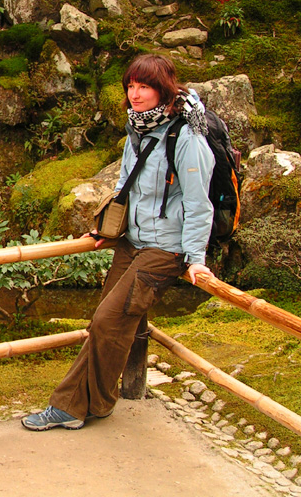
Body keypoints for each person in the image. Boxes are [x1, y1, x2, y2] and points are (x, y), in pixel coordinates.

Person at [22, 53, 215, 431]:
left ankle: (69, 407)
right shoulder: (138, 129)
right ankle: (100, 402)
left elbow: (198, 203)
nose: (135, 94)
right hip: (133, 241)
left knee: (108, 321)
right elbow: (125, 187)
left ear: (164, 90)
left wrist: (195, 258)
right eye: (131, 86)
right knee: (109, 324)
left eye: (144, 87)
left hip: (166, 250)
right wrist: (104, 231)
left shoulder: (185, 137)